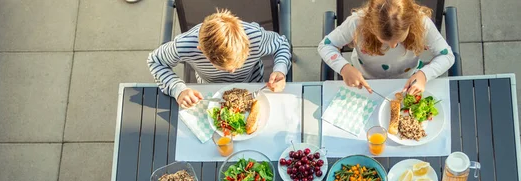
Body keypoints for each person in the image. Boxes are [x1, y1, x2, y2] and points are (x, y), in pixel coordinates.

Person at [147, 9, 291, 108]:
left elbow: (282, 44)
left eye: (239, 62)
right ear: (202, 51)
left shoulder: (255, 37)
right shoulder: (184, 45)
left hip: (254, 85)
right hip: (208, 90)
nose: (234, 71)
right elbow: (155, 61)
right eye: (226, 69)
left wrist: (280, 70)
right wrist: (178, 89)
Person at [318, 0, 455, 95]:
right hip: (365, 80)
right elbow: (326, 45)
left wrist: (424, 75)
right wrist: (344, 68)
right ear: (370, 25)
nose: (393, 46)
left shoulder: (422, 23)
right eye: (385, 41)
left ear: (410, 23)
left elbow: (447, 56)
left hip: (407, 80)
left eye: (399, 40)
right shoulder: (357, 23)